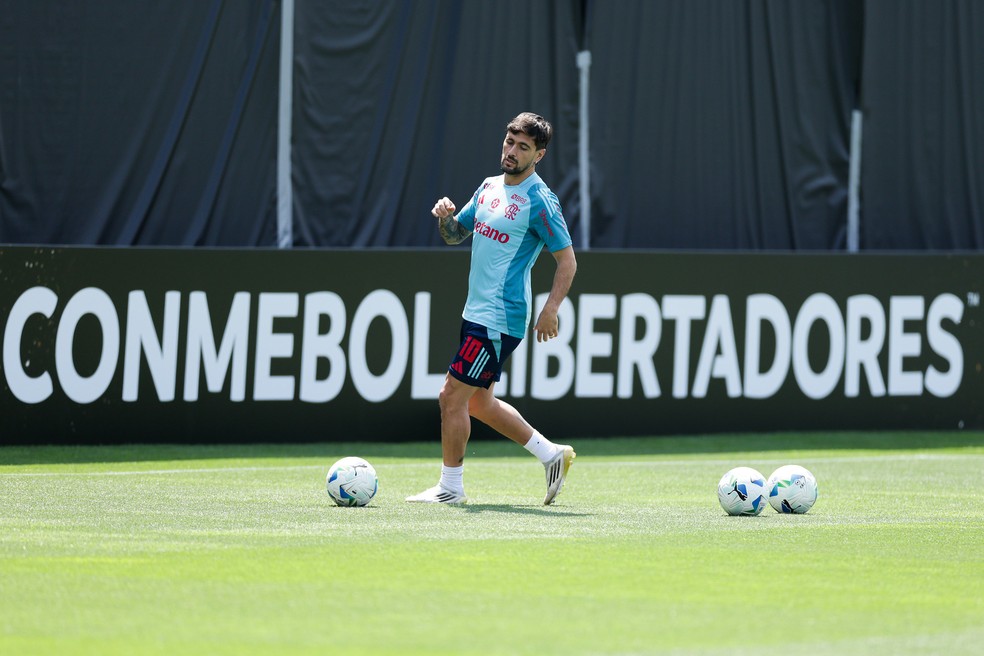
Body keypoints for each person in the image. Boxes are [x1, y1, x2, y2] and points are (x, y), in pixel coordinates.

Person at [406, 112, 578, 505]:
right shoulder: (488, 187)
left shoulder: (540, 201)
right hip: (475, 312)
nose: (512, 151)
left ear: (539, 155)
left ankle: (451, 487)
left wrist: (550, 309)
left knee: (451, 396)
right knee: (478, 403)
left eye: (523, 147)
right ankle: (551, 454)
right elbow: (456, 235)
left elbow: (567, 261)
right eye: (509, 141)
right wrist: (445, 218)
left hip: (500, 317)